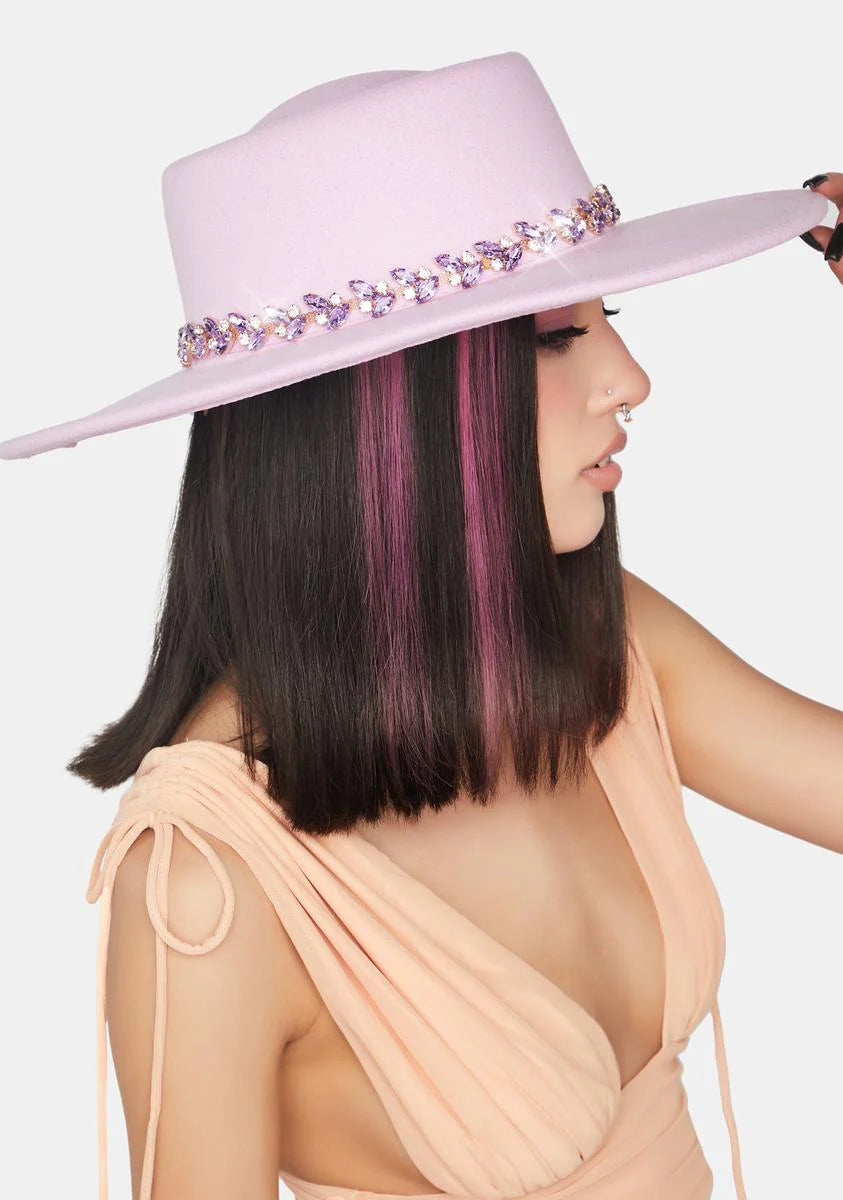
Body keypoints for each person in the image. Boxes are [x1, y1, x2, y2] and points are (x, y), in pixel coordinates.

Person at [1, 51, 839, 1200]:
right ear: (385, 411)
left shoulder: (604, 652)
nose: (630, 378)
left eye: (609, 317)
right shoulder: (209, 881)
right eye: (557, 336)